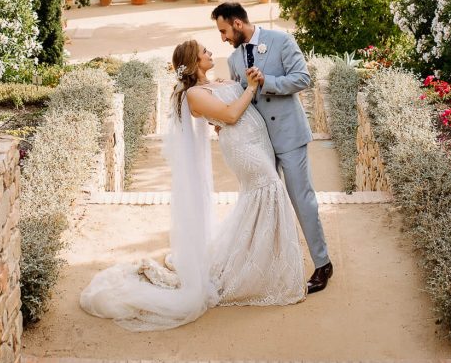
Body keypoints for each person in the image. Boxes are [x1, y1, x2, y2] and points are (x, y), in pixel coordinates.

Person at [79, 38, 305, 331]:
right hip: (243, 150)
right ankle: (252, 271)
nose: (210, 53)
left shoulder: (215, 83)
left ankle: (257, 261)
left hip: (257, 142)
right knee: (269, 192)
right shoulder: (194, 95)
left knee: (261, 197)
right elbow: (230, 115)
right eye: (204, 52)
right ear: (194, 61)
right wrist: (249, 88)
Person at [212, 1, 333, 294]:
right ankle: (272, 268)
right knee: (265, 204)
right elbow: (241, 97)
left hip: (289, 135)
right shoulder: (234, 59)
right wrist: (223, 117)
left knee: (301, 199)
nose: (223, 38)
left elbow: (302, 78)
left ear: (237, 23)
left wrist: (267, 81)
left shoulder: (281, 41)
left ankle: (322, 263)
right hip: (258, 142)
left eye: (224, 31)